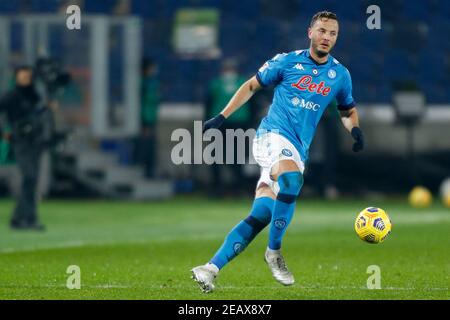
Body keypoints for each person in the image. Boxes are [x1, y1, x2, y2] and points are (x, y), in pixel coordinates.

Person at [191, 11, 365, 292]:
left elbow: (347, 110)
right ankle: (274, 252)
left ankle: (210, 268)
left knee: (262, 214)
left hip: (298, 150)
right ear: (310, 32)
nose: (326, 37)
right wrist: (221, 117)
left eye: (332, 33)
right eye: (322, 31)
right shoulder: (286, 61)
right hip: (270, 137)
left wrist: (355, 130)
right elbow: (250, 86)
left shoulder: (340, 75)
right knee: (292, 181)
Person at [0, 66, 47, 231]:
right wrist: (4, 132)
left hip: (35, 140)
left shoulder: (34, 95)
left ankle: (24, 218)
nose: (26, 79)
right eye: (23, 76)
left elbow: (39, 113)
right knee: (29, 177)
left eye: (28, 76)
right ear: (16, 78)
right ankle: (24, 218)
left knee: (32, 180)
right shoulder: (11, 96)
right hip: (20, 141)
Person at [206, 59, 252, 196]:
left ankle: (228, 186)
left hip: (228, 123)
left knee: (225, 156)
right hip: (232, 123)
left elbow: (208, 103)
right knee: (228, 157)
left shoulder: (217, 83)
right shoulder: (242, 83)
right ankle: (229, 186)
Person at [136, 58, 160, 178]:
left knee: (150, 146)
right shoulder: (142, 83)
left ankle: (149, 172)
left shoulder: (152, 83)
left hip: (151, 118)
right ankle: (141, 171)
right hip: (144, 119)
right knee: (144, 146)